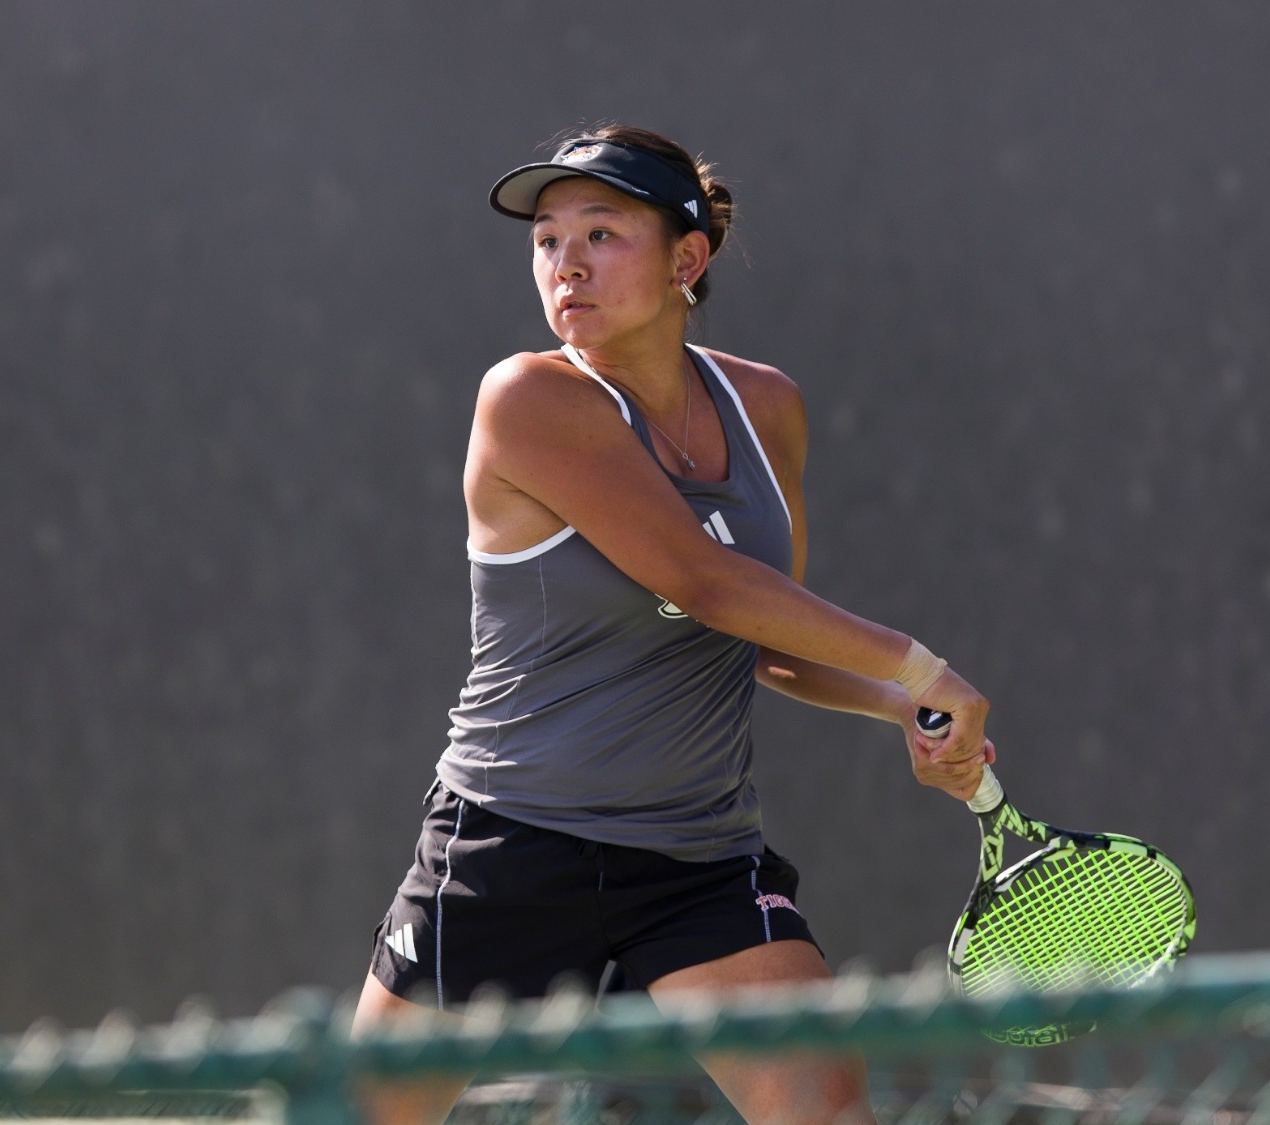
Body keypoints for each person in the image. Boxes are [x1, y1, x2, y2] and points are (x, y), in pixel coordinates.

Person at [350, 124, 996, 1125]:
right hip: (512, 846)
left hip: (696, 860)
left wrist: (896, 709)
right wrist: (921, 668)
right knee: (355, 1117)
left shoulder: (765, 407)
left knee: (825, 1105)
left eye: (601, 233)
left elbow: (765, 637)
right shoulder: (526, 398)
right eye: (546, 240)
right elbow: (705, 585)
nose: (564, 262)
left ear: (684, 261)